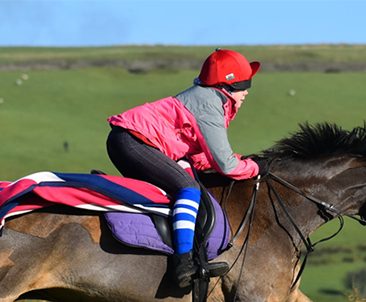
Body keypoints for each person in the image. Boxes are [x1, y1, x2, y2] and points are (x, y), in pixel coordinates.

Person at [107, 48, 263, 288]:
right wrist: (255, 167)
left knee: (183, 184)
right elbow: (226, 166)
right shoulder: (210, 104)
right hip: (134, 141)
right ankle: (183, 263)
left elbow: (202, 158)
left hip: (128, 139)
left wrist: (242, 161)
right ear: (227, 87)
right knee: (189, 189)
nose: (246, 93)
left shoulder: (205, 98)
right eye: (244, 86)